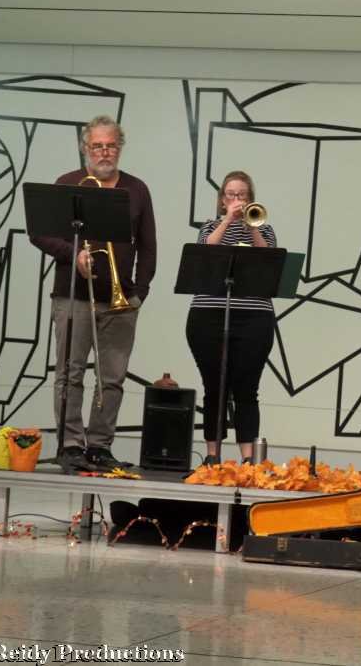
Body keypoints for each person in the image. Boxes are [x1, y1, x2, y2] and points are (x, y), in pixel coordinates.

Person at [30, 114, 157, 472]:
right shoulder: (68, 183)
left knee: (112, 379)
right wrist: (74, 254)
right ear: (85, 148)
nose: (104, 152)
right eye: (97, 145)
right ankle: (71, 445)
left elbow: (148, 245)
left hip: (120, 300)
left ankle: (100, 446)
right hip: (72, 296)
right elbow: (39, 233)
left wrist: (140, 292)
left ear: (120, 148)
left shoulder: (137, 189)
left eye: (111, 145)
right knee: (69, 374)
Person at [186, 171, 277, 466]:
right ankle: (212, 456)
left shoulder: (265, 230)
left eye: (242, 195)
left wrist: (252, 227)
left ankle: (248, 460)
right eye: (231, 195)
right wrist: (226, 221)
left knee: (247, 389)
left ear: (251, 199)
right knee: (214, 387)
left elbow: (269, 260)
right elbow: (205, 251)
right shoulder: (209, 227)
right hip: (208, 316)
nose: (237, 199)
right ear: (222, 200)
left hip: (254, 318)